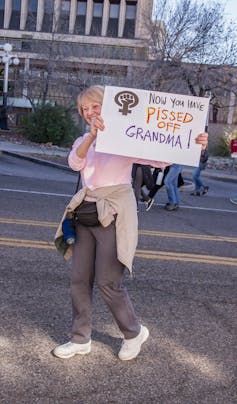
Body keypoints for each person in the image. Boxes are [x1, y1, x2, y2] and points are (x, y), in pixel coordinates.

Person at [54, 85, 208, 361]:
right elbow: (75, 163)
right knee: (79, 278)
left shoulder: (124, 138)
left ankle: (134, 332)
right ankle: (80, 338)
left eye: (95, 106)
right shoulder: (82, 140)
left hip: (115, 211)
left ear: (108, 106)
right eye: (84, 109)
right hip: (86, 210)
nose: (89, 112)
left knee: (108, 281)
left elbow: (160, 157)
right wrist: (91, 136)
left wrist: (193, 143)